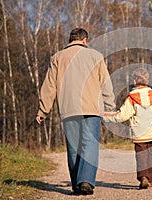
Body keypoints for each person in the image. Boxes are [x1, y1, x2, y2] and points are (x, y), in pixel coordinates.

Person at [36, 28, 115, 195]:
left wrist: (43, 110)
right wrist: (110, 107)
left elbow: (49, 86)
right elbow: (105, 84)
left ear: (70, 39)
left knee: (73, 148)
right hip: (91, 108)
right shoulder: (95, 56)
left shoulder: (57, 57)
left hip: (68, 109)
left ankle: (76, 185)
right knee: (90, 144)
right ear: (85, 40)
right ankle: (86, 180)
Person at [103, 68, 152, 189]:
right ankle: (151, 179)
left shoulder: (132, 98)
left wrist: (104, 116)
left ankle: (143, 177)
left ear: (135, 81)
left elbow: (121, 116)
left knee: (141, 156)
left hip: (140, 134)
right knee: (150, 155)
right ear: (147, 81)